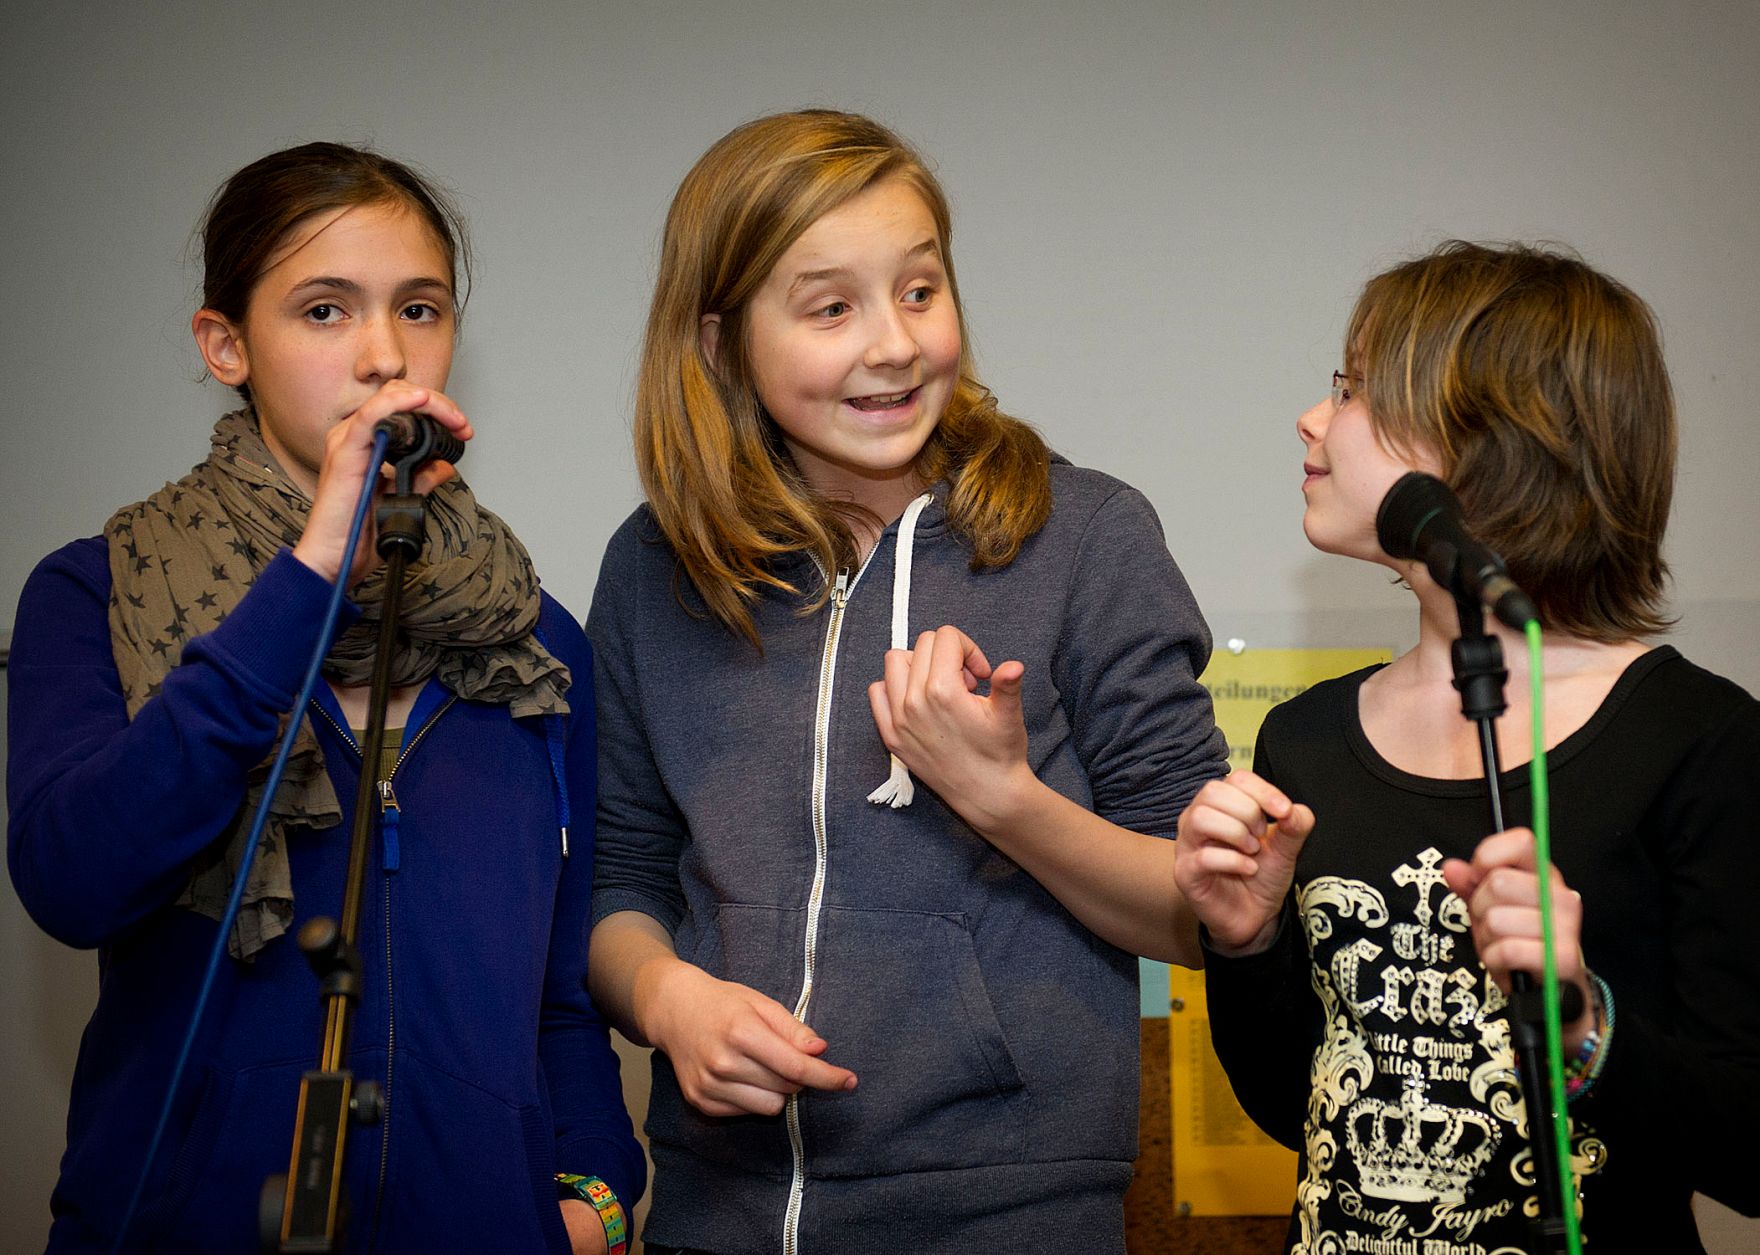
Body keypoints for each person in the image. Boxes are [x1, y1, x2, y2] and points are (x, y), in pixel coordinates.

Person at [584, 109, 1226, 1254]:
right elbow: (617, 880)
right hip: (709, 1212)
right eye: (831, 307)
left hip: (1006, 1219)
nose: (893, 343)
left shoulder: (1085, 538)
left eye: (919, 290)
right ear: (721, 342)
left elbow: (1195, 913)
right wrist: (666, 1000)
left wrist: (1000, 795)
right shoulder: (653, 565)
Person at [6, 142, 642, 1255]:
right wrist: (306, 581)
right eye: (323, 311)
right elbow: (73, 880)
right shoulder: (96, 589)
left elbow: (559, 999)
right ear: (226, 346)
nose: (384, 353)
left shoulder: (535, 643)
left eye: (420, 308)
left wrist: (595, 1195)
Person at [1173, 242, 1760, 1252]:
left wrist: (1582, 1027)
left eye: (1353, 389)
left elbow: (1749, 1152)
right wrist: (1245, 941)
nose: (1312, 419)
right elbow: (1297, 1114)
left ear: (1493, 441)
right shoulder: (1303, 737)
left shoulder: (1700, 742)